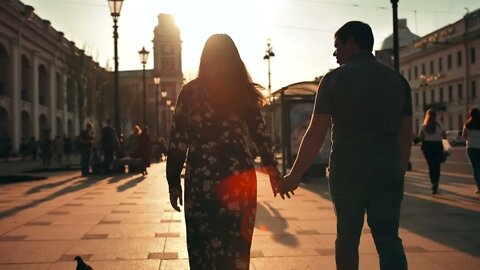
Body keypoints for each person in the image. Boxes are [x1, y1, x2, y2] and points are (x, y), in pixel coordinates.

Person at [281, 21, 411, 270]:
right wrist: (399, 171)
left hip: (348, 174)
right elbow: (406, 135)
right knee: (388, 240)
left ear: (351, 42)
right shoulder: (398, 81)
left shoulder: (333, 80)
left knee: (348, 239)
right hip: (387, 173)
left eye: (337, 45)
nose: (334, 53)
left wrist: (295, 175)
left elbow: (316, 133)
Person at [166, 33, 283, 270]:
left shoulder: (190, 92)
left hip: (201, 177)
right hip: (238, 176)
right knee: (236, 245)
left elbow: (178, 141)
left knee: (202, 245)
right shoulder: (243, 91)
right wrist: (272, 171)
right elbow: (261, 136)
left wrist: (173, 182)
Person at [419, 109, 446, 194]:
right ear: (435, 116)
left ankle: (433, 182)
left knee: (431, 165)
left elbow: (421, 138)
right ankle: (436, 183)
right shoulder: (440, 125)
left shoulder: (423, 126)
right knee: (437, 166)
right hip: (438, 146)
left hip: (427, 146)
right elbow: (444, 136)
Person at [462, 108, 480, 194]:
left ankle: (479, 187)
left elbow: (464, 136)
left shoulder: (467, 125)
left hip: (471, 147)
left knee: (476, 168)